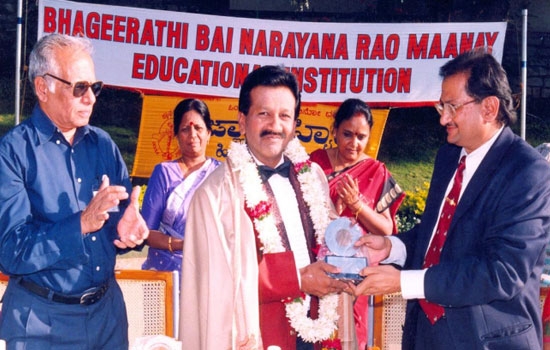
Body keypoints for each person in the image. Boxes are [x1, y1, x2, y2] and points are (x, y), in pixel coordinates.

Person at [354, 48, 550, 349]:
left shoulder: (527, 172)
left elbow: (503, 272)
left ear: (489, 108)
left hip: (487, 341)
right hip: (426, 336)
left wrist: (405, 282)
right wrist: (393, 246)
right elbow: (439, 236)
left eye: (452, 106)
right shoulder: (448, 156)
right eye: (441, 106)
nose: (443, 118)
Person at [179, 65, 355, 350]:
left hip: (320, 327)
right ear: (241, 120)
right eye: (264, 114)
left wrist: (354, 249)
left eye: (285, 115)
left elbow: (331, 243)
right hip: (256, 331)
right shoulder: (215, 195)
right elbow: (218, 283)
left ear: (295, 123)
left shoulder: (314, 178)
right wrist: (297, 279)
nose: (275, 125)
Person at [0, 33, 148, 349]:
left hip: (107, 317)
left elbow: (116, 227)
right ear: (43, 88)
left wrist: (126, 230)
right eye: (79, 88)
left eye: (94, 88)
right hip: (42, 324)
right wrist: (80, 223)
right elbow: (10, 252)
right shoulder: (12, 153)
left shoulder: (104, 145)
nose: (91, 98)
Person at [310, 98, 405, 349]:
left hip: (356, 272)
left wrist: (357, 206)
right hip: (317, 269)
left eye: (361, 136)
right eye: (347, 134)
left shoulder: (375, 170)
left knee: (351, 337)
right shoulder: (314, 164)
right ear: (335, 131)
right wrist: (333, 213)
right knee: (314, 333)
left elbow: (386, 230)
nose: (354, 143)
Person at [141, 98, 220, 272]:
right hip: (166, 271)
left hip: (209, 269)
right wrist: (182, 244)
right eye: (185, 129)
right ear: (176, 134)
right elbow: (146, 232)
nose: (192, 135)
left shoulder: (221, 174)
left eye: (198, 128)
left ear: (209, 133)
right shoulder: (164, 172)